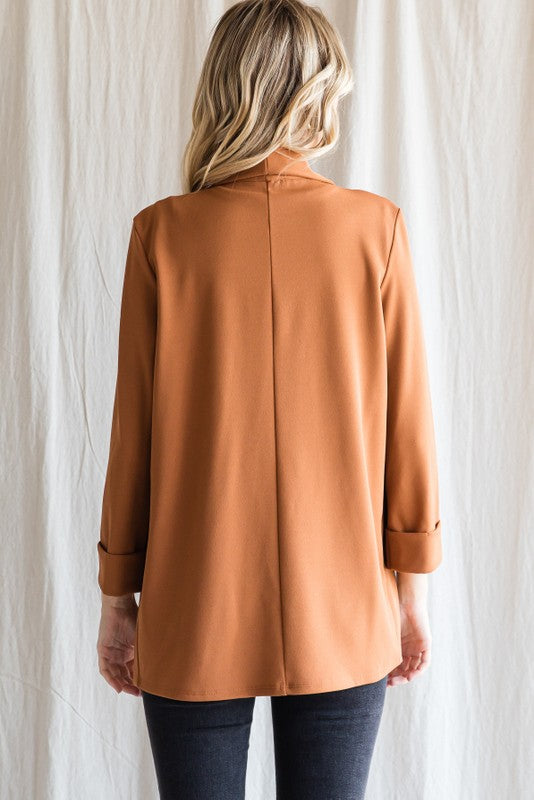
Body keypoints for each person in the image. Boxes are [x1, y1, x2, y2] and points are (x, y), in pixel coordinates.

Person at [95, 1, 443, 797]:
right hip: (343, 604)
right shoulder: (376, 230)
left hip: (194, 601)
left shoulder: (163, 235)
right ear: (316, 92)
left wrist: (118, 595)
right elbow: (409, 430)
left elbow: (131, 437)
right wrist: (411, 589)